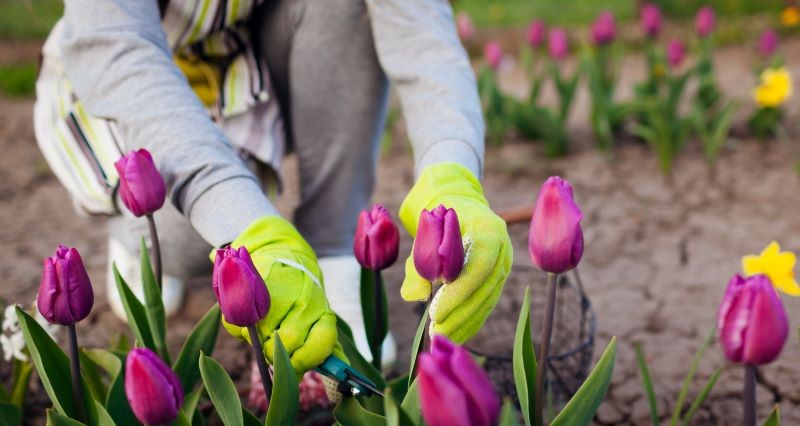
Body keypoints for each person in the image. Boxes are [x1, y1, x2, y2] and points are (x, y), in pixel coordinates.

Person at [33, 0, 512, 372]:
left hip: (240, 65)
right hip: (124, 90)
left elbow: (422, 32)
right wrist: (246, 225)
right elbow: (118, 47)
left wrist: (453, 169)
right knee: (188, 237)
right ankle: (137, 245)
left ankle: (333, 250)